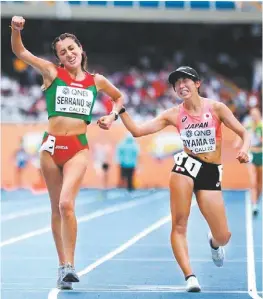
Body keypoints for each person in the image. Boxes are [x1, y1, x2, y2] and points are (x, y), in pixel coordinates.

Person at [98, 66, 250, 292]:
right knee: (179, 224)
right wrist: (119, 112)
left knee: (223, 236)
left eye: (185, 81)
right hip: (185, 166)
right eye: (176, 83)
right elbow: (139, 131)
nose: (181, 86)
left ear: (197, 83)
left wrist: (245, 149)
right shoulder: (173, 114)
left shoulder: (217, 108)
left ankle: (214, 242)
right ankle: (190, 276)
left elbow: (244, 133)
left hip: (210, 172)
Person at [10, 16, 124, 290]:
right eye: (63, 52)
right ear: (59, 58)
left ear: (81, 49)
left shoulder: (97, 81)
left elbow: (118, 98)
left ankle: (71, 266)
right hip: (50, 148)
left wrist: (112, 116)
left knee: (66, 204)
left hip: (77, 148)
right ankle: (62, 267)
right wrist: (15, 30)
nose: (68, 54)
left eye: (72, 48)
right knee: (55, 209)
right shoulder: (51, 73)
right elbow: (20, 52)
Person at [236, 107, 262, 215]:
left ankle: (257, 200)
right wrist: (237, 142)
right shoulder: (248, 124)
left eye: (255, 114)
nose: (254, 116)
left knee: (260, 183)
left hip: (261, 153)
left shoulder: (261, 125)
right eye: (252, 114)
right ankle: (254, 205)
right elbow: (241, 132)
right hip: (251, 153)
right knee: (253, 181)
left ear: (259, 114)